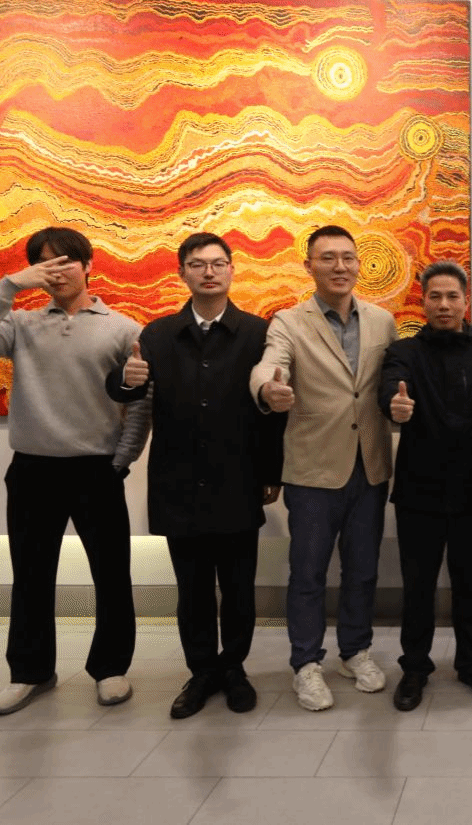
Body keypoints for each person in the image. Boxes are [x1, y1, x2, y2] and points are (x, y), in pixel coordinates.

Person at [0, 226, 149, 715]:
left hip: (97, 469)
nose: (57, 271)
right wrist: (9, 285)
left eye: (66, 261)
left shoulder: (122, 328)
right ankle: (30, 671)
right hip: (33, 469)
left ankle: (111, 668)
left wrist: (122, 460)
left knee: (111, 574)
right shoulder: (21, 325)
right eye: (45, 263)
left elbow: (141, 401)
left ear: (88, 265)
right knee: (31, 575)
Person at [107, 232, 285, 718]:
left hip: (238, 478)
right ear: (182, 272)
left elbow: (272, 411)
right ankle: (202, 670)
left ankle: (235, 668)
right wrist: (125, 380)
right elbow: (129, 391)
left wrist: (271, 471)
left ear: (232, 270)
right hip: (178, 481)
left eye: (218, 263)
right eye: (197, 264)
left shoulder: (258, 333)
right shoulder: (159, 334)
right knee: (192, 590)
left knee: (239, 588)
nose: (209, 272)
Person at [249, 225, 397, 711]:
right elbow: (271, 363)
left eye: (348, 257)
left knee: (362, 570)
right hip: (313, 470)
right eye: (328, 257)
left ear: (359, 264)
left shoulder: (383, 321)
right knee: (308, 573)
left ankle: (355, 651)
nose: (340, 266)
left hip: (369, 467)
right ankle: (306, 663)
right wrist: (268, 388)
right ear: (308, 265)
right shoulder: (289, 322)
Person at [378, 261, 472, 711]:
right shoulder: (404, 352)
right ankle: (415, 668)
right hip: (419, 492)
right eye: (435, 296)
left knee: (471, 586)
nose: (444, 305)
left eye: (452, 296)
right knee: (417, 588)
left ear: (465, 300)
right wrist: (394, 405)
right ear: (423, 302)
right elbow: (388, 390)